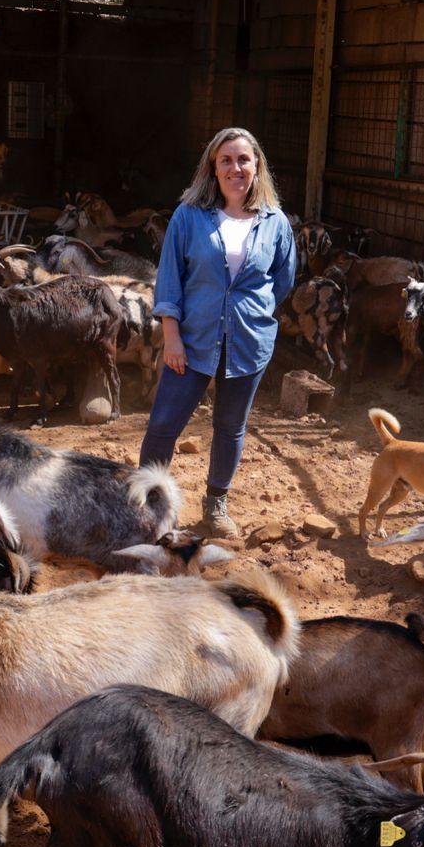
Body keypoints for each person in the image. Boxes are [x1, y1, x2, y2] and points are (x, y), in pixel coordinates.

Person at [139, 127, 297, 539]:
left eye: (243, 159)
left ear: (257, 166)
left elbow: (281, 282)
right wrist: (172, 336)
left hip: (248, 342)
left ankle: (215, 504)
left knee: (230, 426)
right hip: (191, 341)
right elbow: (170, 278)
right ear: (213, 168)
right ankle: (148, 506)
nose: (235, 168)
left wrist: (252, 315)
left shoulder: (276, 223)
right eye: (225, 160)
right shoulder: (189, 216)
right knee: (163, 425)